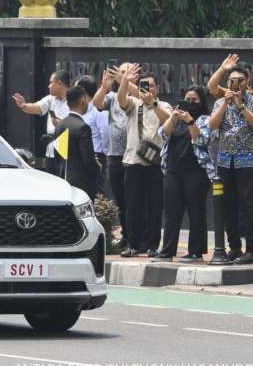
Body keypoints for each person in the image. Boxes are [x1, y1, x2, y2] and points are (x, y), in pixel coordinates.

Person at [208, 55, 253, 264]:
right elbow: (212, 126)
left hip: (248, 163)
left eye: (239, 80)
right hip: (225, 162)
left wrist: (241, 106)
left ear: (247, 81)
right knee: (228, 205)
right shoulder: (219, 102)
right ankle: (234, 247)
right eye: (232, 80)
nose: (235, 83)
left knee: (249, 206)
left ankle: (252, 250)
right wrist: (226, 103)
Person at [152, 86, 217, 262]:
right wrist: (173, 117)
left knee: (196, 212)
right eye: (187, 99)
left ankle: (196, 252)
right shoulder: (177, 119)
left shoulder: (205, 119)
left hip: (196, 172)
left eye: (194, 99)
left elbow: (202, 139)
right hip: (173, 170)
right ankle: (167, 251)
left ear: (201, 102)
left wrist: (190, 122)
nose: (190, 103)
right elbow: (163, 135)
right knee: (171, 212)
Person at [117, 67, 172, 258]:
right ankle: (133, 244)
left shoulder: (164, 106)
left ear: (157, 88)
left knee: (155, 207)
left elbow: (169, 123)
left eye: (152, 86)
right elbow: (121, 100)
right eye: (144, 86)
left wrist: (154, 104)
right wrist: (125, 79)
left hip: (156, 164)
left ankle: (152, 245)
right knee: (133, 206)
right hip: (133, 162)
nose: (148, 89)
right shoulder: (134, 103)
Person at [92, 63, 139, 246]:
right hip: (115, 155)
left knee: (134, 199)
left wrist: (125, 81)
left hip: (135, 156)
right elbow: (97, 103)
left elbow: (141, 96)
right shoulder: (112, 97)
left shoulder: (139, 95)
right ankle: (126, 237)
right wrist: (104, 87)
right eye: (120, 72)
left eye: (127, 73)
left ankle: (138, 238)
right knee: (120, 199)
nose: (123, 76)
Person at [12, 70, 70, 176]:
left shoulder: (73, 99)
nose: (49, 86)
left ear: (60, 83)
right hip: (51, 142)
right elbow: (37, 107)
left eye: (51, 82)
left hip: (67, 141)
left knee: (64, 174)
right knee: (51, 174)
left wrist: (60, 125)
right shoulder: (51, 99)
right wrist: (23, 105)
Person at [50, 86, 101, 200]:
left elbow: (59, 157)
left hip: (63, 180)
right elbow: (88, 160)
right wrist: (98, 168)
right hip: (82, 185)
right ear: (83, 100)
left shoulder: (60, 125)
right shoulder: (83, 127)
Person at [76, 75, 111, 196]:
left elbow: (105, 132)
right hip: (81, 156)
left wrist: (104, 153)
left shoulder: (98, 109)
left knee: (97, 191)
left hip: (97, 155)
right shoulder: (80, 110)